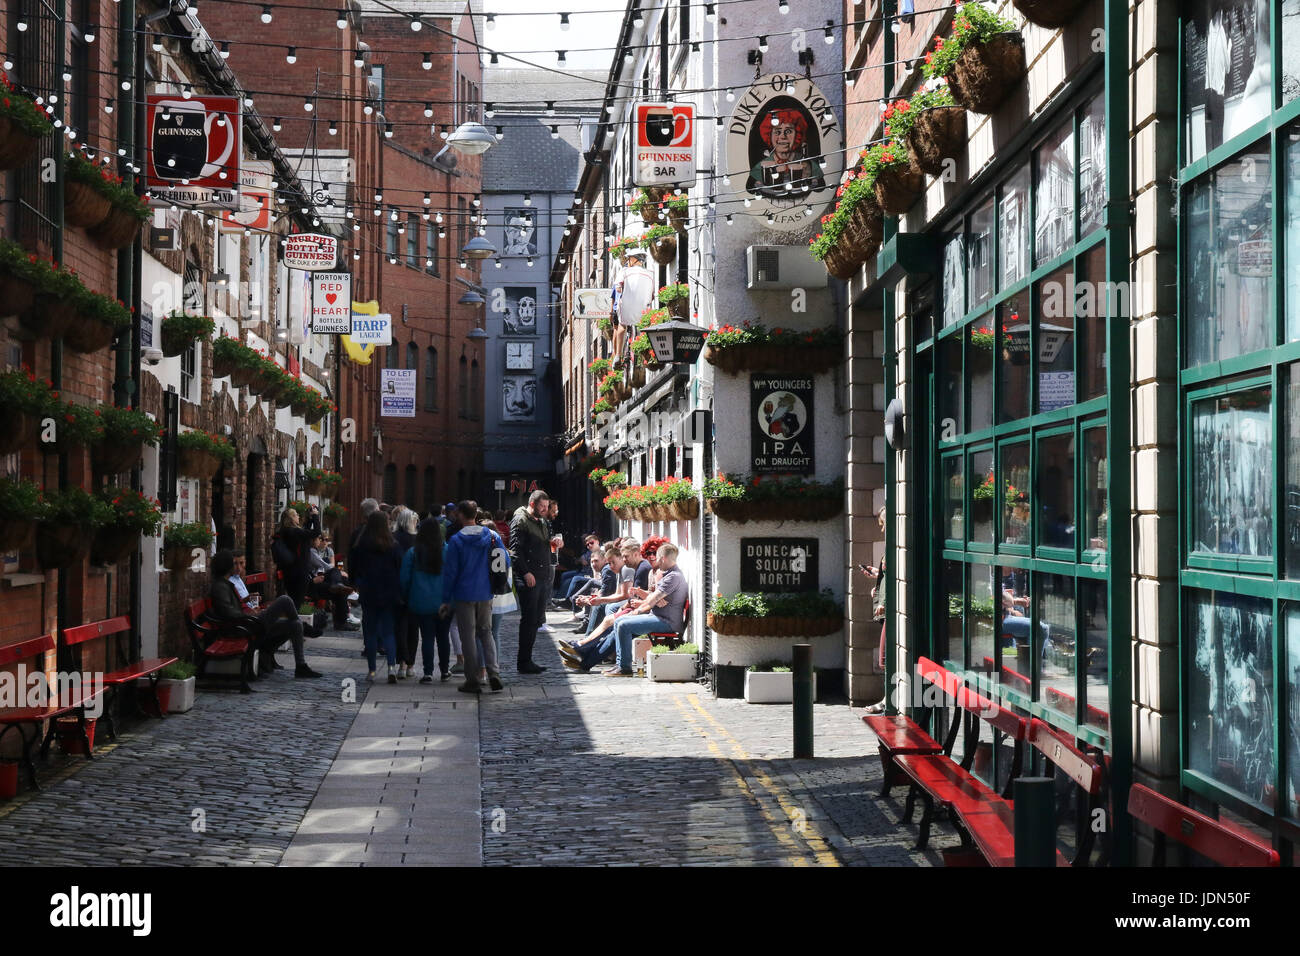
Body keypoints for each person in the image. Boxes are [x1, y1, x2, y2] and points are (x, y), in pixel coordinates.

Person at [561, 542, 687, 676]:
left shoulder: (673, 576)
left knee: (623, 624)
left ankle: (624, 667)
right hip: (657, 616)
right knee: (618, 624)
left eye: (657, 558)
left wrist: (638, 610)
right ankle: (586, 661)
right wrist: (653, 598)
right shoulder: (669, 574)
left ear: (663, 558)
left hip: (666, 622)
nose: (655, 561)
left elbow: (652, 600)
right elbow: (653, 598)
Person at [209, 549, 321, 679]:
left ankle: (301, 666)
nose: (236, 566)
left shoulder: (225, 584)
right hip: (245, 626)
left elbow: (232, 607)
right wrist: (251, 615)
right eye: (232, 563)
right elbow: (228, 612)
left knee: (294, 625)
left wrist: (247, 605)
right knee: (284, 600)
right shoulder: (220, 586)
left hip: (247, 622)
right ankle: (305, 627)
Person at [441, 500, 508, 694]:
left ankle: (473, 679)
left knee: (468, 637)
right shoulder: (492, 535)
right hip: (485, 592)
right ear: (475, 516)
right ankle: (494, 673)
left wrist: (446, 599)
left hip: (464, 594)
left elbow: (450, 572)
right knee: (486, 632)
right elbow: (505, 559)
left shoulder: (455, 540)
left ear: (461, 515)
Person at [349, 510, 405, 683]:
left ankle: (372, 671)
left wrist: (356, 583)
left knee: (371, 633)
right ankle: (391, 668)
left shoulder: (362, 545)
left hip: (369, 592)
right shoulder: (393, 545)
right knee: (388, 632)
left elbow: (353, 568)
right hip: (389, 593)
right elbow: (400, 569)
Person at [400, 518, 452, 684]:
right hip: (444, 601)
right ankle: (444, 670)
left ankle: (428, 672)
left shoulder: (413, 553)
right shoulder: (448, 551)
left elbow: (404, 579)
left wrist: (406, 596)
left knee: (427, 637)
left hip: (421, 601)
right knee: (443, 637)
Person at [508, 489, 552, 674]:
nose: (545, 510)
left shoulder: (540, 520)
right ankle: (523, 662)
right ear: (532, 504)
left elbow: (540, 544)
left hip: (541, 575)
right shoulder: (520, 521)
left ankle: (527, 660)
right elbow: (515, 551)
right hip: (530, 578)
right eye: (542, 506)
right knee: (529, 621)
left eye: (547, 507)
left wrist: (554, 543)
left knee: (535, 621)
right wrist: (525, 573)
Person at [272, 504, 322, 614]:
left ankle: (304, 624)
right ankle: (299, 626)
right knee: (298, 602)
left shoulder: (287, 531)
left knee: (297, 600)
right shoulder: (294, 532)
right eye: (295, 515)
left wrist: (309, 518)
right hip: (299, 572)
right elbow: (316, 532)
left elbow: (305, 534)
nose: (298, 516)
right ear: (291, 519)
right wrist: (315, 516)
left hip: (291, 571)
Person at [391, 507, 420, 678]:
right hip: (414, 588)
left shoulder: (392, 539)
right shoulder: (417, 540)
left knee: (399, 627)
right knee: (413, 628)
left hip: (396, 588)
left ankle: (401, 663)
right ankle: (410, 665)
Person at [613, 249, 654, 363]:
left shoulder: (624, 271)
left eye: (629, 258)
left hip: (627, 305)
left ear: (634, 259)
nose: (627, 260)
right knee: (644, 327)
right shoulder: (649, 274)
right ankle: (648, 349)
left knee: (622, 325)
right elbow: (652, 295)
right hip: (643, 308)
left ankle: (618, 355)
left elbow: (618, 287)